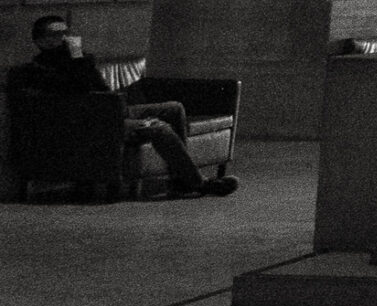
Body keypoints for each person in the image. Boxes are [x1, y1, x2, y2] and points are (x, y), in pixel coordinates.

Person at [6, 15, 237, 199]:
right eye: (56, 34)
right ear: (41, 41)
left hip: (111, 110)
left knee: (174, 108)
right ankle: (196, 183)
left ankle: (180, 179)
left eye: (66, 33)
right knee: (159, 128)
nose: (64, 38)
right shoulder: (38, 70)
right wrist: (76, 58)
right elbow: (76, 88)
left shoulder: (78, 61)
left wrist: (79, 58)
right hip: (94, 121)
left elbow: (101, 87)